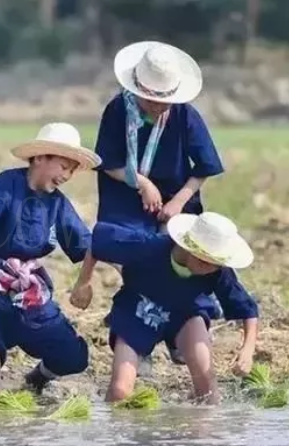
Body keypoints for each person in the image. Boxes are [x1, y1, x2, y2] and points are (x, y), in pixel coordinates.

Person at [93, 41, 226, 365]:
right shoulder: (116, 110)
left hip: (178, 195)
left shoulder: (185, 115)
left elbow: (204, 168)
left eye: (164, 101)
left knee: (183, 250)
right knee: (133, 252)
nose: (158, 106)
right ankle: (140, 325)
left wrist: (179, 202)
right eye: (152, 100)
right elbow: (106, 161)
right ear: (137, 88)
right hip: (125, 194)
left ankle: (184, 323)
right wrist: (142, 183)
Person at [0, 122, 102, 397]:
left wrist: (92, 279)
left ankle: (36, 379)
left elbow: (89, 245)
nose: (67, 175)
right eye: (63, 166)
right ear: (40, 158)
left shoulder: (57, 203)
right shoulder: (5, 185)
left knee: (73, 357)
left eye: (72, 170)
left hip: (30, 290)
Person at [91, 211, 259, 405]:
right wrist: (83, 283)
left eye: (214, 265)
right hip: (138, 311)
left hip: (184, 314)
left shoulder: (217, 271)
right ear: (187, 247)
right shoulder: (150, 246)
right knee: (120, 391)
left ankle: (199, 428)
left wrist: (247, 350)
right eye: (203, 261)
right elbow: (99, 240)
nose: (207, 269)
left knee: (209, 393)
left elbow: (248, 310)